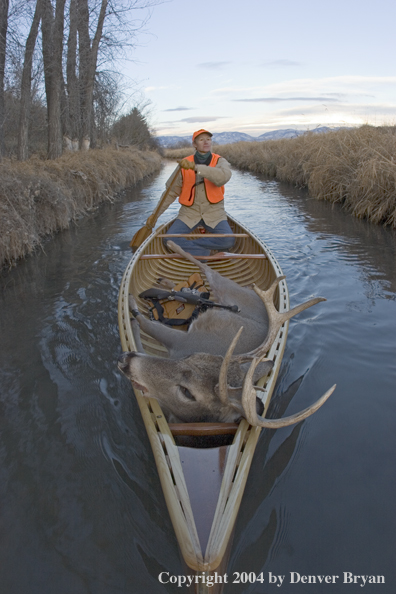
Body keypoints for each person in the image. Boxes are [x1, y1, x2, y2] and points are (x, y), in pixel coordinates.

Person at [151, 129, 235, 256]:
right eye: (201, 140)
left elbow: (223, 177)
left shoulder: (220, 161)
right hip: (189, 213)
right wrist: (155, 215)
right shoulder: (184, 163)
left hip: (214, 213)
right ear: (195, 144)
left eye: (208, 139)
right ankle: (204, 251)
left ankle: (193, 248)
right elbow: (171, 192)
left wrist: (195, 168)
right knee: (168, 239)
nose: (206, 142)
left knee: (229, 240)